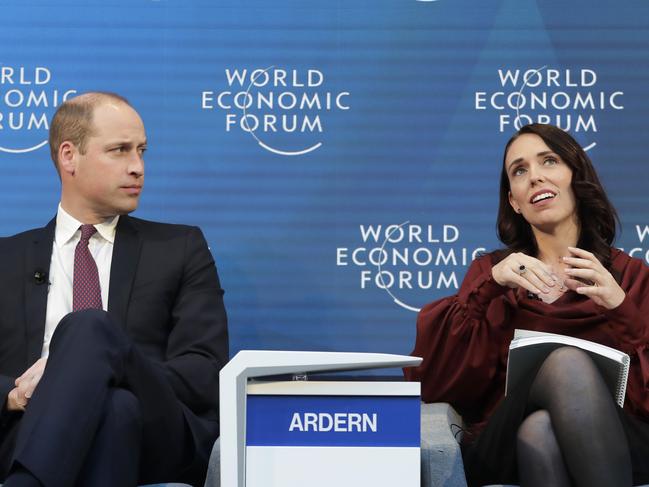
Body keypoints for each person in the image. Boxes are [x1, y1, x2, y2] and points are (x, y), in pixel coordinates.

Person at [0, 92, 229, 487]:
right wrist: (16, 395)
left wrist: (100, 366)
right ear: (69, 156)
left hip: (158, 433)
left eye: (141, 151)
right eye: (119, 151)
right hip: (31, 427)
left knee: (90, 329)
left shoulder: (180, 247)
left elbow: (204, 373)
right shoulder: (6, 258)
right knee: (114, 410)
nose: (137, 167)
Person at [405, 123, 649, 487]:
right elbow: (439, 384)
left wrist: (620, 306)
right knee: (563, 367)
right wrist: (489, 288)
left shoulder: (629, 277)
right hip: (502, 443)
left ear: (576, 178)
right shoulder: (491, 276)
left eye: (549, 161)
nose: (535, 177)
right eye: (519, 171)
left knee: (541, 433)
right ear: (514, 201)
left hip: (619, 441)